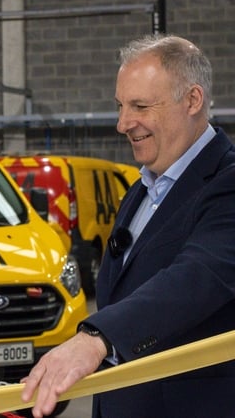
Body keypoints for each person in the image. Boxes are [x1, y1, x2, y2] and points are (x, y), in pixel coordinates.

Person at [21, 35, 235, 417]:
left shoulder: (228, 182)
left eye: (140, 106)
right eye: (120, 106)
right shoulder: (142, 189)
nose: (123, 123)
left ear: (193, 100)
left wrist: (96, 339)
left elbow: (196, 276)